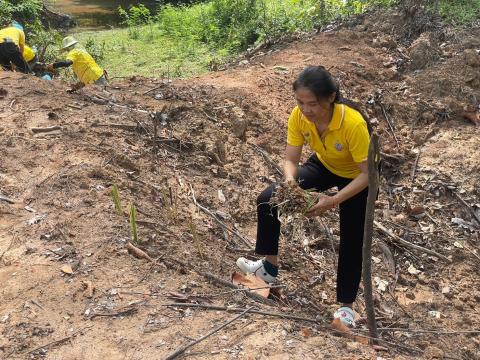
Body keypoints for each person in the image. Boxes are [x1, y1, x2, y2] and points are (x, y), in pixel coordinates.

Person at [236, 65, 371, 328]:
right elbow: (290, 158)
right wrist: (290, 184)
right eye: (301, 102)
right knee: (269, 198)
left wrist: (333, 200)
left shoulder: (353, 123)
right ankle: (268, 268)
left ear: (331, 97)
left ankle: (346, 307)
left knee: (353, 237)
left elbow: (368, 174)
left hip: (357, 175)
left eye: (313, 104)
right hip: (324, 164)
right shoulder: (299, 116)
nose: (307, 110)